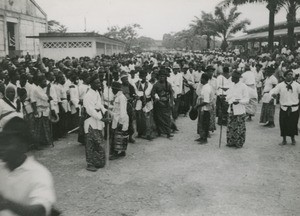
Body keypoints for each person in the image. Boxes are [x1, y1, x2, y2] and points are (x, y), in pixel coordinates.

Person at [0, 117, 56, 216]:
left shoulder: (38, 174)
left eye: (8, 143)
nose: (1, 147)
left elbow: (40, 210)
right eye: (1, 142)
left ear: (23, 146)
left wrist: (6, 204)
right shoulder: (2, 168)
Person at [83, 75, 107, 172]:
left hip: (97, 120)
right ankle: (90, 163)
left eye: (99, 82)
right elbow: (90, 110)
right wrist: (102, 118)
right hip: (90, 121)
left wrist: (105, 111)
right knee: (91, 143)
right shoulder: (88, 95)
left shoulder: (96, 92)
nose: (99, 84)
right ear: (91, 83)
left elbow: (100, 104)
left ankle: (97, 161)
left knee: (99, 142)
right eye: (96, 83)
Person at [270, 70, 300, 145]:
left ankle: (293, 139)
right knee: (283, 124)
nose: (290, 76)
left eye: (291, 74)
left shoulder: (297, 85)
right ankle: (284, 140)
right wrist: (273, 95)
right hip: (284, 108)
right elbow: (274, 91)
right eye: (288, 74)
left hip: (294, 108)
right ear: (285, 76)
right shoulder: (280, 85)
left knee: (293, 124)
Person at [226, 71, 249, 148]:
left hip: (239, 109)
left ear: (237, 78)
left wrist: (239, 101)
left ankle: (239, 142)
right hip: (231, 108)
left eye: (233, 77)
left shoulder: (243, 86)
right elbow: (229, 96)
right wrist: (226, 99)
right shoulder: (231, 85)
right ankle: (231, 141)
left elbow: (247, 99)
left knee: (239, 127)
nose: (231, 78)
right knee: (231, 126)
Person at [109, 82, 129, 160]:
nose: (112, 90)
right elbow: (116, 108)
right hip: (116, 118)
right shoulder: (117, 96)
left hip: (120, 120)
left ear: (116, 89)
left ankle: (116, 153)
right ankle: (122, 151)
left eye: (113, 89)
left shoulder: (121, 97)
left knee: (118, 136)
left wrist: (120, 122)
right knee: (120, 135)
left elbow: (123, 111)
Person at [151, 69, 174, 138]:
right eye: (160, 76)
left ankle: (168, 132)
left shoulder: (168, 84)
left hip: (166, 103)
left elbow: (171, 94)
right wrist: (155, 98)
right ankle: (159, 132)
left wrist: (171, 102)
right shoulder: (156, 85)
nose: (161, 78)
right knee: (158, 118)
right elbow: (152, 94)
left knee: (167, 118)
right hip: (158, 104)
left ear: (165, 77)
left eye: (163, 76)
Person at [134, 70, 155, 140]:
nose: (143, 77)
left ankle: (148, 134)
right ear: (139, 76)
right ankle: (140, 133)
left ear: (146, 76)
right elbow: (135, 94)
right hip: (139, 103)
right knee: (139, 119)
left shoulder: (150, 85)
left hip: (147, 103)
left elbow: (152, 94)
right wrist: (137, 97)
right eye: (141, 75)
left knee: (148, 119)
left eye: (144, 76)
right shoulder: (136, 84)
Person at [194, 73, 212, 144]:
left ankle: (204, 139)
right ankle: (202, 137)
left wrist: (197, 106)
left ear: (204, 79)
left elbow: (206, 101)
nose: (200, 80)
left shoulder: (207, 88)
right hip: (202, 108)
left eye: (201, 78)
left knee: (205, 123)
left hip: (205, 108)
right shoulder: (204, 86)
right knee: (201, 123)